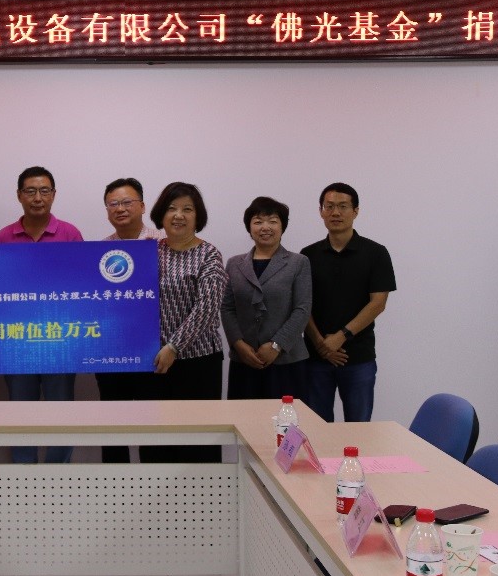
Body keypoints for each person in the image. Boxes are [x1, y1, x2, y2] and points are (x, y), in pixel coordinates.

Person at [0, 166, 84, 464]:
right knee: (21, 414)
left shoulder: (70, 234)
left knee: (62, 414)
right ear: (19, 195)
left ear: (54, 195)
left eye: (44, 191)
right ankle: (25, 476)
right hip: (17, 342)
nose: (37, 198)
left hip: (61, 341)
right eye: (30, 191)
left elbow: (82, 287)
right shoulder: (4, 236)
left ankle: (57, 474)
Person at [142, 182, 226, 463]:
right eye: (172, 208)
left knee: (197, 441)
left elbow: (207, 308)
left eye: (187, 209)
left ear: (197, 216)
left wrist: (174, 346)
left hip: (198, 363)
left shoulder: (209, 254)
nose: (178, 215)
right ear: (161, 215)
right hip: (154, 362)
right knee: (156, 441)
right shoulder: (149, 252)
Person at [302, 183, 396, 422]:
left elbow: (378, 303)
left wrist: (340, 337)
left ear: (355, 211)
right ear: (321, 211)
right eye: (329, 206)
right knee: (316, 428)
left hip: (358, 358)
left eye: (343, 206)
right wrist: (321, 344)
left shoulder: (376, 253)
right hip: (316, 357)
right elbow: (301, 304)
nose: (335, 212)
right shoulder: (308, 255)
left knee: (358, 429)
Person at [95, 177, 163, 463]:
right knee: (113, 424)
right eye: (113, 204)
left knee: (153, 424)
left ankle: (154, 484)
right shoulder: (99, 250)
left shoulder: (162, 243)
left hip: (153, 351)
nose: (120, 209)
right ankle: (115, 483)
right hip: (112, 351)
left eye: (127, 202)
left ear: (143, 206)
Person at [221, 197, 311, 403]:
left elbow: (302, 309)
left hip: (287, 360)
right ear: (249, 227)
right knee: (244, 419)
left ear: (282, 226)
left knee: (286, 420)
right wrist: (239, 345)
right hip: (245, 359)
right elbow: (227, 308)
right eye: (258, 221)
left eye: (272, 221)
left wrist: (276, 345)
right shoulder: (234, 263)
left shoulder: (298, 262)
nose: (265, 227)